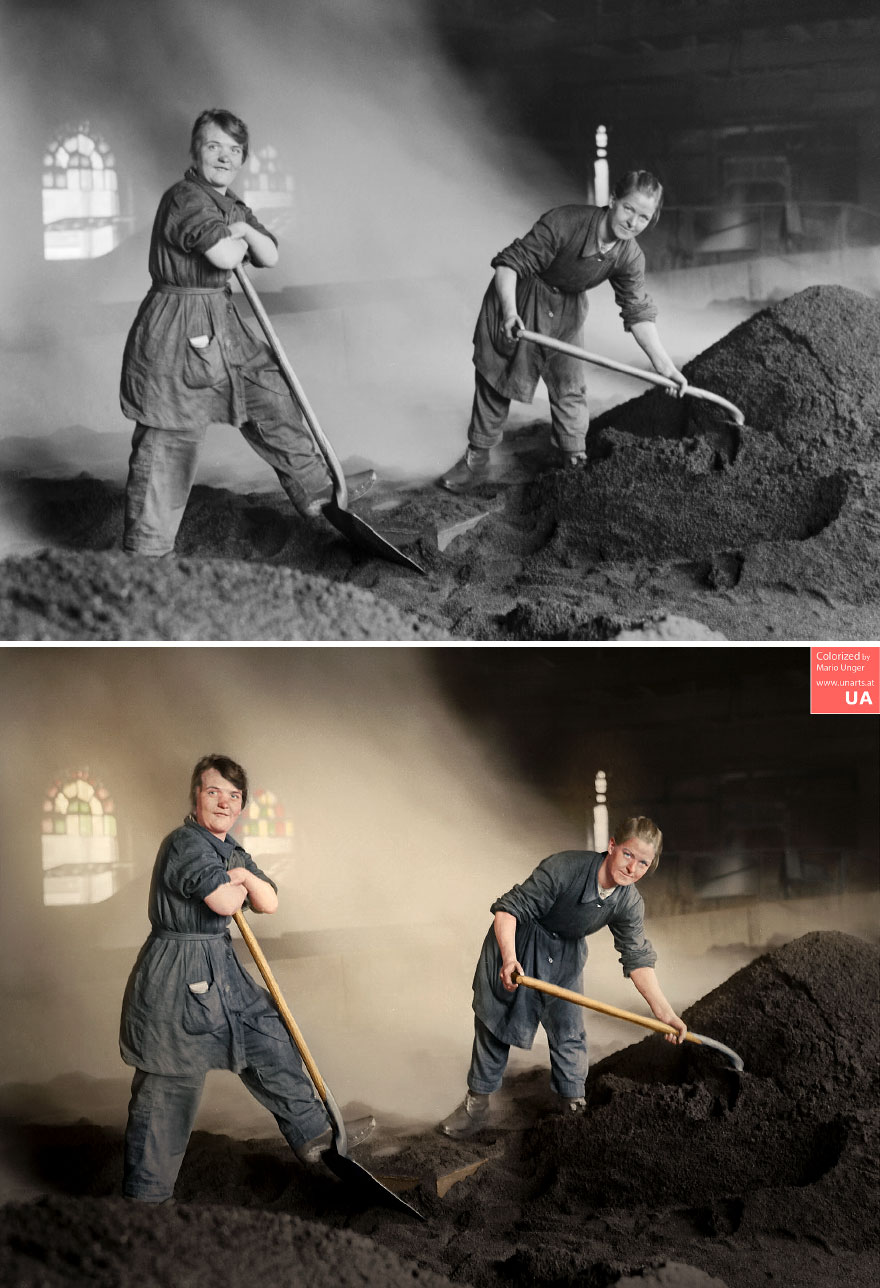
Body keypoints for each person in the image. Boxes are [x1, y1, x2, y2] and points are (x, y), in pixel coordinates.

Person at [120, 107, 375, 557]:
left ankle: (314, 488)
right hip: (178, 324)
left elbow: (270, 254)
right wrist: (240, 237)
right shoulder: (185, 197)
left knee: (269, 391)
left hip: (222, 319)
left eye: (234, 151)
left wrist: (241, 230)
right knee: (171, 434)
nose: (224, 158)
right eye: (214, 146)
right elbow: (222, 255)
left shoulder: (232, 204)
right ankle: (147, 553)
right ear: (195, 151)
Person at [120, 753, 374, 1202]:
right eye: (213, 791)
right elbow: (222, 902)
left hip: (221, 968)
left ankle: (313, 1133)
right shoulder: (185, 843)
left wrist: (239, 875)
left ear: (240, 807)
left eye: (233, 796)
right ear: (195, 796)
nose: (223, 803)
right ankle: (147, 1199)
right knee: (170, 1081)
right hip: (177, 972)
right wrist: (241, 883)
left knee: (268, 1036)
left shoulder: (231, 850)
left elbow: (269, 901)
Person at [439, 171, 688, 492]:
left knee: (569, 382)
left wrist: (665, 366)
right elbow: (509, 265)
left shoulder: (630, 255)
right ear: (613, 201)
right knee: (498, 378)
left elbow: (638, 311)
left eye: (644, 217)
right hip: (522, 295)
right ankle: (477, 459)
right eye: (629, 209)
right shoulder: (565, 222)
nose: (633, 222)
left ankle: (573, 458)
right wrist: (510, 312)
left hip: (568, 307)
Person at [439, 816, 686, 1138]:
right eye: (628, 854)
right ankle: (476, 1105)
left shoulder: (629, 902)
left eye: (643, 863)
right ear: (612, 846)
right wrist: (509, 958)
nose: (632, 868)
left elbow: (638, 958)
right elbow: (508, 910)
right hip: (520, 942)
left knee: (569, 1029)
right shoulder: (565, 868)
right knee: (496, 1025)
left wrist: (665, 1013)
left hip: (565, 955)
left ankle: (573, 1103)